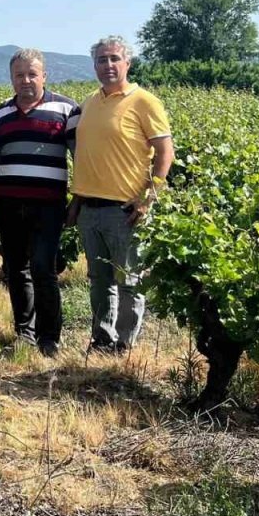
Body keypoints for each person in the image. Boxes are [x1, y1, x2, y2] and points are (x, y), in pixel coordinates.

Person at [69, 35, 174, 354]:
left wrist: (148, 199)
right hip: (90, 209)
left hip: (126, 209)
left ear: (128, 63)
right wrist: (76, 203)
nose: (108, 65)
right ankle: (102, 339)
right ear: (95, 66)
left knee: (130, 282)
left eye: (115, 58)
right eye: (102, 59)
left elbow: (165, 153)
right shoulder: (89, 103)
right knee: (100, 282)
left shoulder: (144, 101)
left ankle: (125, 344)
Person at [0, 48, 79, 357]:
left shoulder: (67, 110)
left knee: (43, 268)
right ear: (12, 78)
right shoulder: (1, 113)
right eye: (19, 75)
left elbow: (80, 156)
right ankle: (24, 333)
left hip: (48, 205)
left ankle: (49, 338)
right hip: (10, 204)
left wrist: (77, 198)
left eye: (32, 74)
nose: (25, 80)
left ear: (44, 76)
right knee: (15, 269)